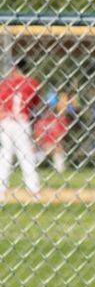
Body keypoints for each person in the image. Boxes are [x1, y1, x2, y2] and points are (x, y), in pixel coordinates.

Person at [0, 58, 42, 201]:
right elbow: (35, 104)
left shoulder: (6, 83)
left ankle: (1, 189)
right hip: (22, 121)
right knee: (26, 155)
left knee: (5, 155)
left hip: (5, 121)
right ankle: (34, 190)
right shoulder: (32, 83)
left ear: (15, 69)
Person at [34, 90, 76, 173]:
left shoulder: (60, 118)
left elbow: (62, 134)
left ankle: (60, 170)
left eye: (51, 107)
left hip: (54, 144)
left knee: (58, 147)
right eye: (47, 107)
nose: (49, 109)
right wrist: (41, 142)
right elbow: (36, 134)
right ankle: (33, 167)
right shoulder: (42, 119)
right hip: (42, 145)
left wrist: (52, 142)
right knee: (31, 146)